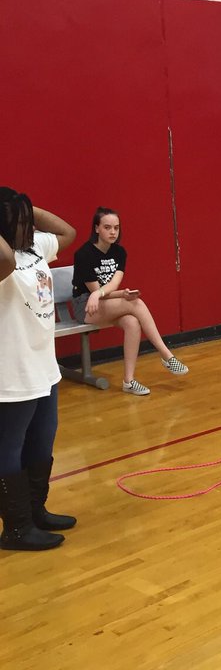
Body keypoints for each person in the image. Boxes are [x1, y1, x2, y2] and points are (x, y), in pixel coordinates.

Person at [0, 188, 78, 552]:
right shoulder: (3, 258)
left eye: (28, 219)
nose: (28, 226)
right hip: (12, 371)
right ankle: (16, 528)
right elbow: (6, 258)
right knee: (10, 446)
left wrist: (24, 206)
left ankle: (35, 511)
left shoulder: (34, 246)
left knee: (43, 439)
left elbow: (68, 232)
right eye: (18, 221)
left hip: (44, 366)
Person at [72, 207, 189, 396]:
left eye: (116, 228)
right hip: (85, 306)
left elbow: (113, 285)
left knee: (132, 322)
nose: (113, 232)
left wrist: (120, 294)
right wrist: (101, 294)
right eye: (107, 227)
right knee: (136, 303)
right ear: (96, 228)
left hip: (104, 300)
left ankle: (129, 381)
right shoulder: (84, 254)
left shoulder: (119, 252)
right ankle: (166, 354)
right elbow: (95, 292)